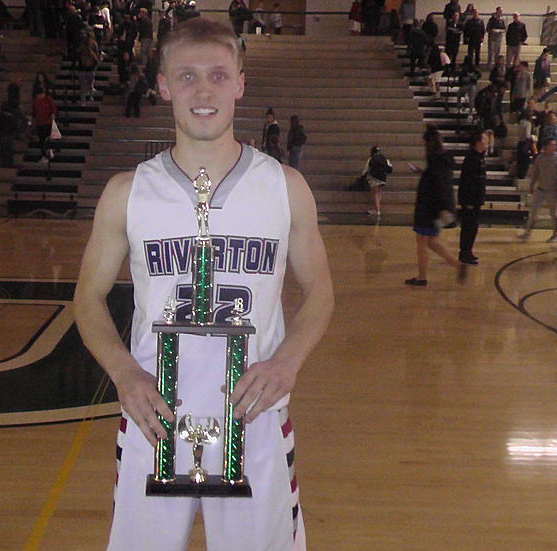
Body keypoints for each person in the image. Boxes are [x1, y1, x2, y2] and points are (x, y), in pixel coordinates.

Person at [73, 18, 333, 550]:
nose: (203, 90)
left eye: (218, 74)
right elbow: (88, 298)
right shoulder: (127, 192)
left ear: (240, 82)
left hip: (254, 419)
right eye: (186, 76)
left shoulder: (286, 187)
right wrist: (125, 374)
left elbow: (321, 292)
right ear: (164, 85)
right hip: (154, 419)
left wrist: (287, 362)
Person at [406, 126, 466, 286]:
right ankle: (458, 265)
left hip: (430, 210)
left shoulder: (435, 161)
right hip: (437, 210)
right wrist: (422, 172)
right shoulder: (442, 160)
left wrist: (442, 209)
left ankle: (422, 277)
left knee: (422, 241)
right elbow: (438, 180)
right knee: (432, 241)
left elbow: (439, 186)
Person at [519, 139, 557, 241]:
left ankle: (555, 234)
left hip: (553, 190)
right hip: (540, 189)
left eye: (555, 145)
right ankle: (527, 232)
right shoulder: (540, 158)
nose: (554, 147)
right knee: (533, 212)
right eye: (552, 145)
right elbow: (535, 172)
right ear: (546, 146)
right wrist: (531, 185)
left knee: (553, 213)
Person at [458, 130, 487, 264]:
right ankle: (464, 252)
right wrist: (468, 201)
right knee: (468, 227)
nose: (486, 143)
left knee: (473, 227)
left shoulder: (480, 157)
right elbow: (467, 181)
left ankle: (468, 251)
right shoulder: (471, 158)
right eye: (484, 140)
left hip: (476, 200)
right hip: (470, 200)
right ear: (478, 143)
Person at [32, 80, 58, 163]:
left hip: (48, 122)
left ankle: (50, 151)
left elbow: (53, 108)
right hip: (40, 123)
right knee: (41, 141)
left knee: (48, 138)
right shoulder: (36, 102)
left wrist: (53, 115)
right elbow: (34, 112)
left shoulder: (48, 99)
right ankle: (44, 155)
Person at [364, 145, 391, 216]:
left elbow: (366, 169)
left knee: (375, 193)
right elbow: (390, 168)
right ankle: (378, 208)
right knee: (379, 193)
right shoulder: (384, 158)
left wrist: (364, 175)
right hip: (383, 177)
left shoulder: (371, 158)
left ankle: (377, 210)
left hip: (374, 177)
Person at [77, 32, 100, 104]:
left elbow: (97, 57)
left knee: (90, 84)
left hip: (91, 67)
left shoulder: (94, 45)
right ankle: (83, 100)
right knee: (83, 85)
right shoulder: (81, 45)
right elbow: (77, 53)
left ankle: (90, 96)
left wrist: (92, 53)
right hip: (83, 67)